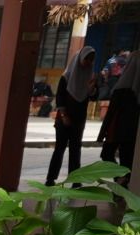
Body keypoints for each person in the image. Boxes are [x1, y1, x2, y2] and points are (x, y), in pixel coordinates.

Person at [48, 46, 97, 184]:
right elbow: (60, 97)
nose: (89, 62)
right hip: (64, 118)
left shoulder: (90, 77)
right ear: (80, 58)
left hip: (79, 119)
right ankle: (50, 179)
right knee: (59, 149)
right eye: (87, 59)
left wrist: (92, 89)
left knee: (75, 150)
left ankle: (76, 180)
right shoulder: (66, 77)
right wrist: (64, 116)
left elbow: (94, 97)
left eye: (91, 60)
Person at [98, 57, 139, 173]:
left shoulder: (120, 87)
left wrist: (102, 134)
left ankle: (121, 179)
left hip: (117, 132)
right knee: (126, 161)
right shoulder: (123, 88)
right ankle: (122, 179)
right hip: (125, 133)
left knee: (109, 155)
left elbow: (111, 114)